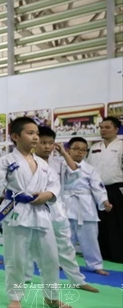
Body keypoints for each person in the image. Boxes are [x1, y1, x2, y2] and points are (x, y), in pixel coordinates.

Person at [0, 117, 73, 308]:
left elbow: (54, 185)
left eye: (36, 134)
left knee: (51, 258)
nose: (35, 137)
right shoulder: (6, 161)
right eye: (30, 133)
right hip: (16, 211)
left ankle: (52, 297)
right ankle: (15, 297)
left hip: (41, 213)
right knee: (16, 257)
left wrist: (48, 194)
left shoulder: (43, 163)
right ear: (15, 136)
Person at [23, 129, 99, 292]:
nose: (47, 147)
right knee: (28, 245)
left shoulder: (59, 162)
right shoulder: (26, 161)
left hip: (56, 208)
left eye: (50, 143)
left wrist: (64, 153)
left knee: (65, 245)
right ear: (35, 143)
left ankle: (77, 280)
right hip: (33, 207)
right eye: (43, 143)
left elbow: (75, 171)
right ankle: (25, 277)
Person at [62, 136, 112, 276]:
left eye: (83, 150)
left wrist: (104, 201)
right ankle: (62, 263)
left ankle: (95, 265)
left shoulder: (90, 169)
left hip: (85, 206)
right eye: (76, 149)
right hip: (66, 203)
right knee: (65, 238)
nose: (80, 152)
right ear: (68, 150)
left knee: (90, 239)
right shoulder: (60, 166)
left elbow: (98, 187)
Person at [86, 117, 123, 263]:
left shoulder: (121, 145)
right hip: (96, 189)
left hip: (116, 189)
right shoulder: (95, 147)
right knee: (99, 223)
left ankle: (118, 255)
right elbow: (88, 169)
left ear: (116, 129)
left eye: (107, 127)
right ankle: (102, 254)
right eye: (101, 127)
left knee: (117, 223)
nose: (103, 130)